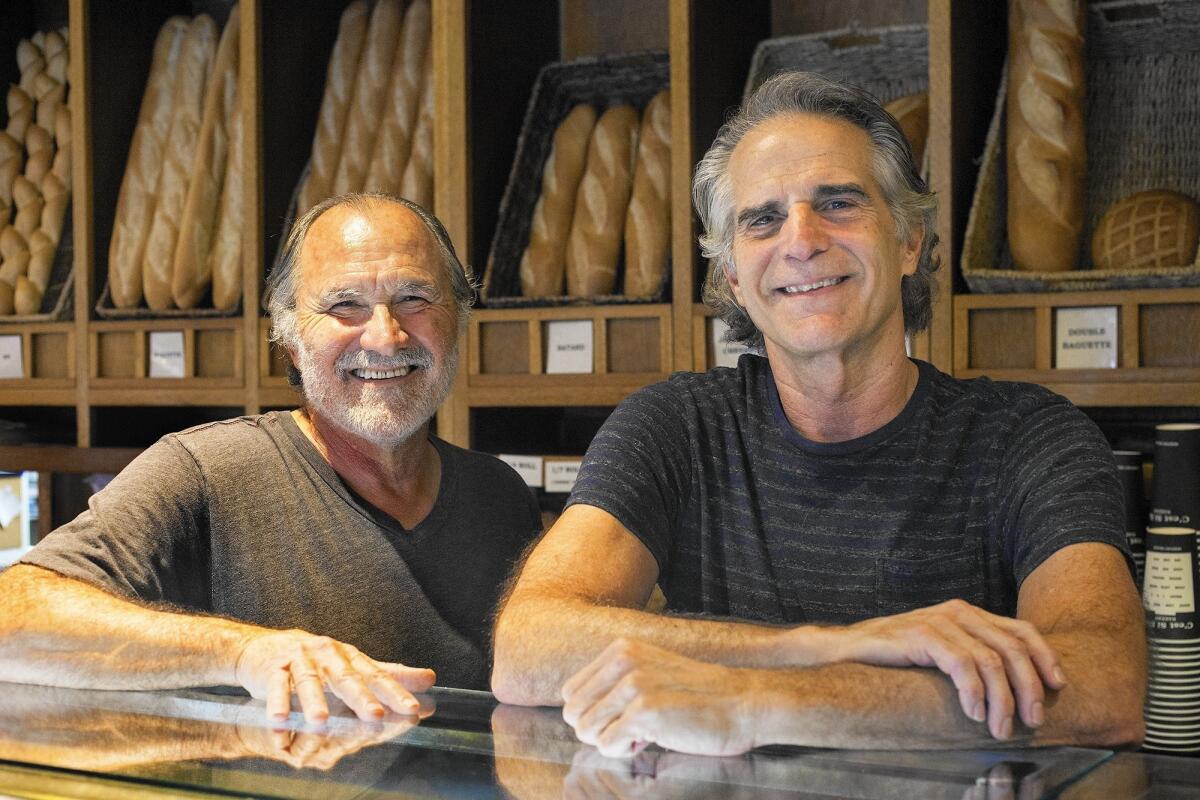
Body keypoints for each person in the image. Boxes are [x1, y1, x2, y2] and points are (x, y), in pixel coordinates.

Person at [492, 72, 1145, 756]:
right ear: (737, 279)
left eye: (838, 202)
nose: (801, 239)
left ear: (909, 241)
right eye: (762, 218)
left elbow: (1104, 687)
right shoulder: (677, 427)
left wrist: (757, 703)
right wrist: (826, 647)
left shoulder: (1029, 438)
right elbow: (529, 647)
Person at [0, 194, 542, 724]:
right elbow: (12, 617)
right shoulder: (207, 472)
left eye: (415, 299)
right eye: (343, 305)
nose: (385, 336)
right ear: (289, 341)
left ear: (459, 320)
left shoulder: (498, 495)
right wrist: (243, 653)